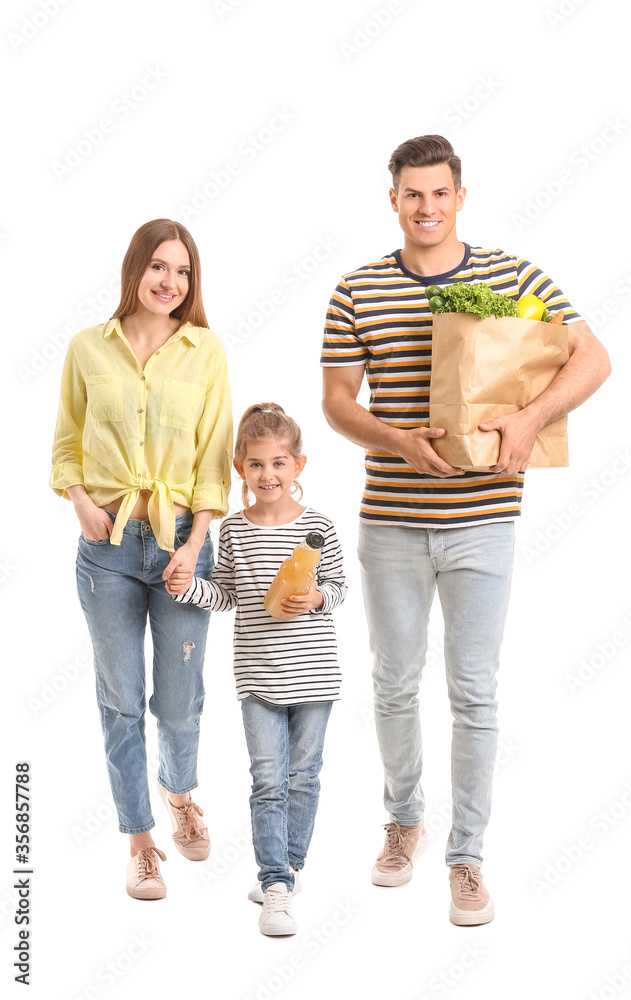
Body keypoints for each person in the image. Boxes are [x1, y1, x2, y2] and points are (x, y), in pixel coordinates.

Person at [320, 135, 611, 925]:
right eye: (412, 194)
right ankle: (403, 821)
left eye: (439, 193)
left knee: (475, 692)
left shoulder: (508, 277)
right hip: (391, 522)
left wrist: (529, 418)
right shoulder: (358, 290)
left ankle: (467, 857)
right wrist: (398, 439)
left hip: (484, 521)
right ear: (393, 201)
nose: (426, 207)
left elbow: (593, 357)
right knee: (392, 681)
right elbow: (339, 402)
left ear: (460, 197)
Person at [50, 219, 233, 900]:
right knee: (119, 700)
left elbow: (216, 458)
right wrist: (80, 503)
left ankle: (180, 793)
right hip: (107, 545)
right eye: (158, 267)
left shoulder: (205, 350)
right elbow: (65, 442)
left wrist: (192, 544)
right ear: (135, 269)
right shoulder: (86, 349)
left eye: (183, 272)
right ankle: (139, 839)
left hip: (183, 540)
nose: (170, 282)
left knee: (180, 702)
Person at [168, 403, 346, 936]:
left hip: (315, 676)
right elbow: (225, 595)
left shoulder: (319, 526)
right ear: (239, 470)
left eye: (279, 464)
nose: (268, 475)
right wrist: (188, 588)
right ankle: (275, 883)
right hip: (258, 678)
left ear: (299, 466)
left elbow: (338, 588)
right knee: (268, 781)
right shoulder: (235, 532)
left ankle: (288, 868)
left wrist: (315, 597)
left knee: (304, 777)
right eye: (256, 465)